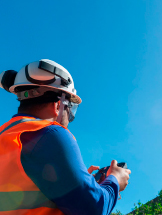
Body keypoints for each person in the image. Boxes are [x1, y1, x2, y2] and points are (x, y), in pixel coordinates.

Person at [0, 59, 131, 215]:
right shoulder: (49, 133)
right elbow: (93, 209)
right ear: (58, 105)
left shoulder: (7, 135)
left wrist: (81, 182)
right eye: (71, 109)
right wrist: (114, 180)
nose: (70, 118)